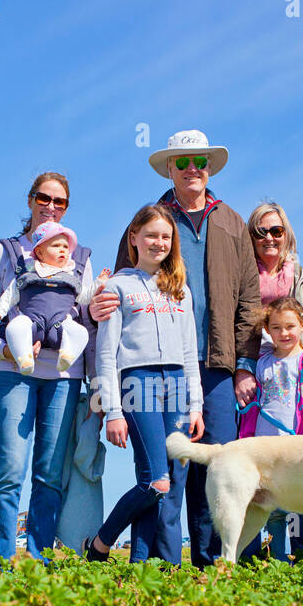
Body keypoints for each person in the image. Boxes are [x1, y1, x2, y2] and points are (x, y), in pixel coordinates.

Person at [90, 130, 260, 567]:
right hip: (147, 368)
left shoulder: (232, 222)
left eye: (199, 161)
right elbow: (119, 291)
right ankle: (157, 563)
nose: (192, 169)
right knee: (165, 472)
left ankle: (211, 560)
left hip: (215, 363)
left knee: (215, 464)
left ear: (210, 167)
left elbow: (250, 299)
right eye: (182, 162)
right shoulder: (152, 218)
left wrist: (243, 365)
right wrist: (97, 299)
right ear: (170, 167)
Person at [0, 172, 95, 569]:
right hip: (14, 372)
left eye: (60, 202)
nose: (51, 207)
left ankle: (40, 557)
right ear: (30, 200)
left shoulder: (79, 255)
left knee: (49, 474)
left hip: (64, 376)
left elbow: (88, 318)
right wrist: (1, 348)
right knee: (10, 467)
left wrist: (95, 381)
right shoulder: (5, 251)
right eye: (44, 198)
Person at [84, 205, 203, 563]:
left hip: (177, 384)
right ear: (134, 238)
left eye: (166, 237)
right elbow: (106, 355)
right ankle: (103, 542)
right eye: (151, 235)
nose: (159, 243)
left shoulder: (180, 290)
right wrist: (114, 411)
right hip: (139, 381)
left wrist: (195, 405)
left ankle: (147, 567)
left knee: (167, 486)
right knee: (155, 481)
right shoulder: (117, 286)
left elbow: (188, 351)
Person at [236, 296, 303, 561]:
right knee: (274, 508)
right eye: (276, 327)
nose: (284, 333)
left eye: (290, 326)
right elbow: (252, 408)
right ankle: (278, 562)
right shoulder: (261, 363)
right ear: (267, 330)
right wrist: (246, 441)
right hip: (267, 449)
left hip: (300, 448)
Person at [0, 221, 93, 374]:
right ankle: (24, 357)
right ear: (39, 252)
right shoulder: (29, 273)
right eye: (56, 246)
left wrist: (100, 284)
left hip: (60, 325)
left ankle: (67, 355)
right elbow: (12, 292)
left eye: (65, 247)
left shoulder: (70, 277)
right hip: (32, 323)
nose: (62, 250)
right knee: (16, 326)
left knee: (80, 332)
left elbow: (85, 297)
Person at [247, 203, 303, 353]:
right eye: (261, 232)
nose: (269, 238)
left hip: (290, 364)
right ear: (251, 237)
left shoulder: (301, 282)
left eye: (276, 231)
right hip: (251, 363)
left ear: (286, 235)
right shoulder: (241, 278)